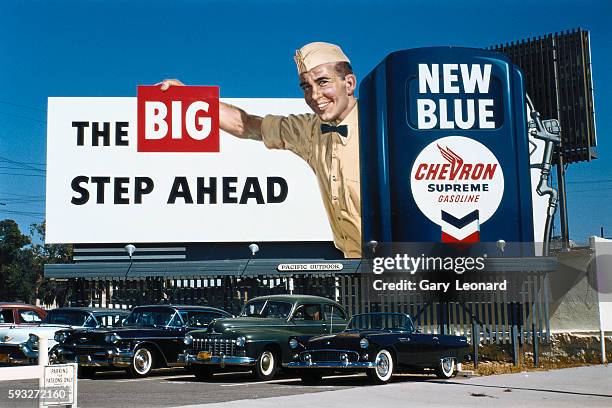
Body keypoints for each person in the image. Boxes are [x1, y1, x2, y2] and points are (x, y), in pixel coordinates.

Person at [160, 42, 361, 258]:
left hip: (397, 260)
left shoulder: (383, 125)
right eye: (306, 87)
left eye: (323, 82)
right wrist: (191, 98)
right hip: (355, 266)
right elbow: (245, 125)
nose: (314, 95)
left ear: (349, 84)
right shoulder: (309, 131)